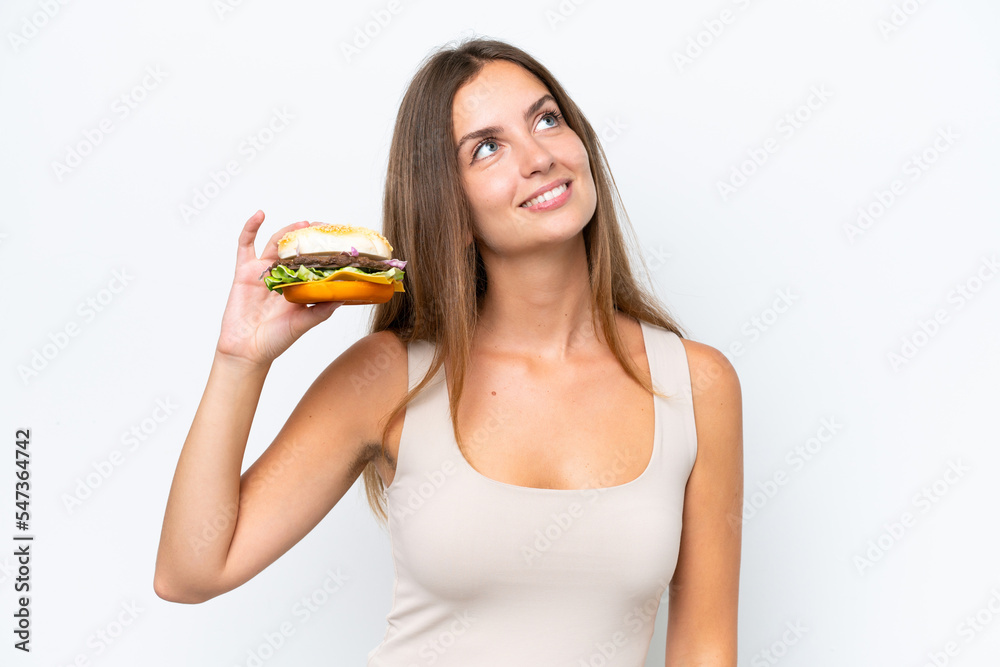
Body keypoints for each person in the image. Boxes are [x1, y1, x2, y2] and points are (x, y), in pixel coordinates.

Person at [154, 36, 743, 666]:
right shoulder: (387, 375)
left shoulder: (697, 385)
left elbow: (705, 647)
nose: (538, 156)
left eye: (546, 119)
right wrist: (240, 361)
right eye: (487, 148)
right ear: (451, 210)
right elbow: (191, 571)